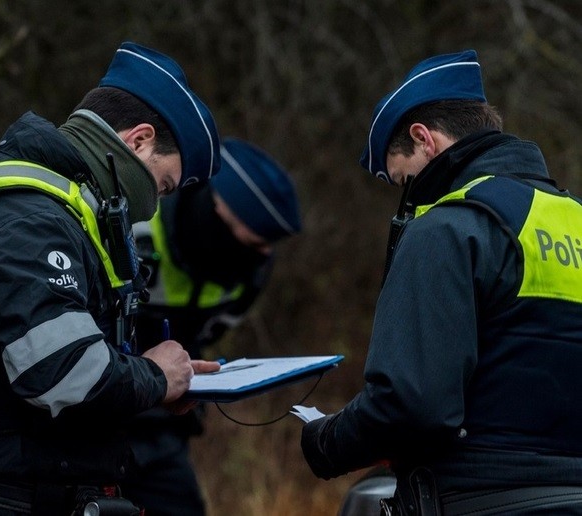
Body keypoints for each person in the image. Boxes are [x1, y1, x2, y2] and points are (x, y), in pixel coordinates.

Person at [0, 41, 225, 515]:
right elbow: (62, 374)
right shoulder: (27, 217)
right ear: (138, 140)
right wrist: (155, 376)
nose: (153, 206)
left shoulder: (59, 208)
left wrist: (161, 384)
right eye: (161, 187)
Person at [299, 49, 582, 515]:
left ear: (424, 140)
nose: (408, 199)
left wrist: (325, 442)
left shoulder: (451, 226)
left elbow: (411, 406)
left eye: (403, 181)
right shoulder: (571, 216)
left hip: (480, 499)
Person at [121, 137, 302, 516]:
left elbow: (208, 335)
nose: (258, 258)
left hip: (164, 433)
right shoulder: (133, 230)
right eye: (250, 242)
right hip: (99, 417)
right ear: (214, 208)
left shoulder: (246, 275)